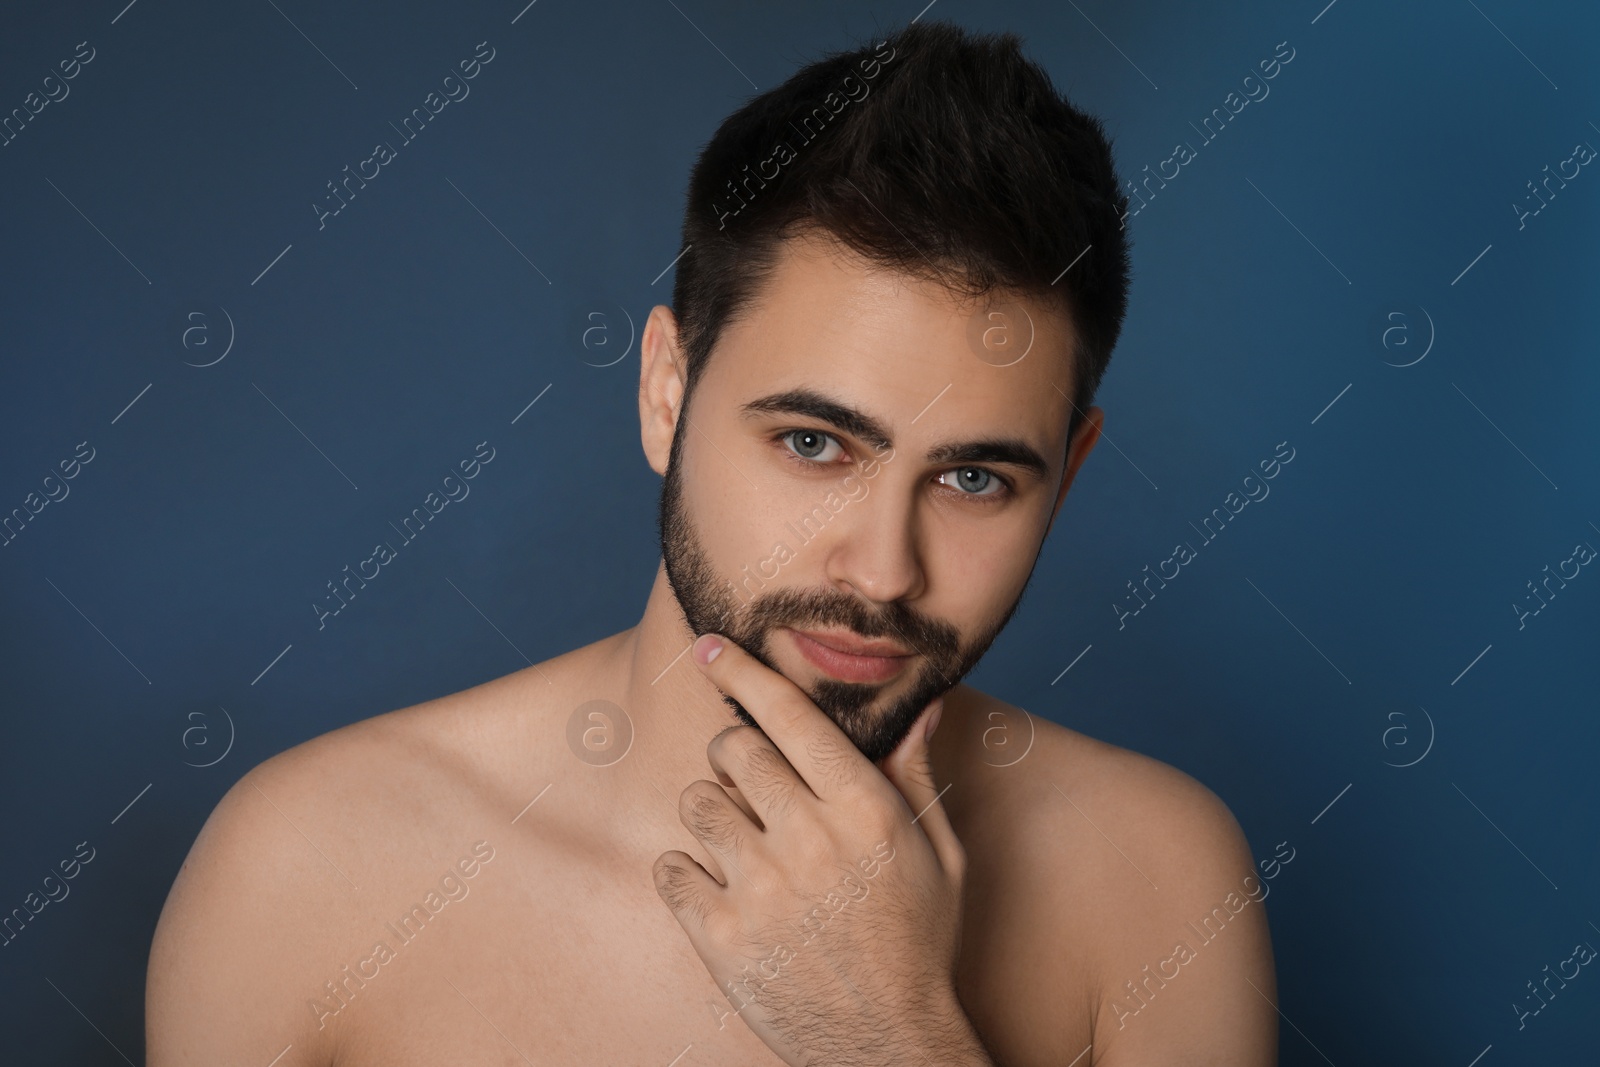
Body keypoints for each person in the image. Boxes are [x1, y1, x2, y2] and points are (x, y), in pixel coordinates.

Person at [147, 19, 1277, 1066]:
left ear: (1066, 476)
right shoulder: (308, 871)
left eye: (973, 477)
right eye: (815, 444)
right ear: (664, 391)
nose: (883, 571)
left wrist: (887, 1031)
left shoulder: (1153, 881)